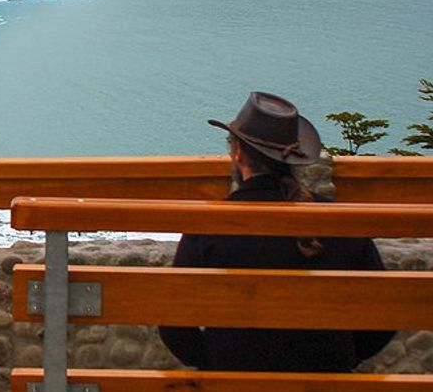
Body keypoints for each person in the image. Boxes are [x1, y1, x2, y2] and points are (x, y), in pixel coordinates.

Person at [158, 92, 394, 372]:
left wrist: (216, 362)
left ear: (237, 153)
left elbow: (173, 326)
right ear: (296, 159)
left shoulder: (208, 227)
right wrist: (342, 358)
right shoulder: (341, 223)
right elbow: (385, 314)